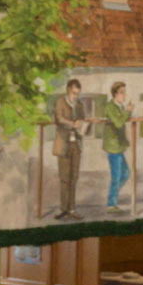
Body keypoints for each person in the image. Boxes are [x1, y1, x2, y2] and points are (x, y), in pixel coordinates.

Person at [53, 78, 90, 219]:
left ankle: (72, 209)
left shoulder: (79, 105)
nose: (76, 96)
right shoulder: (60, 102)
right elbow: (59, 119)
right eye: (74, 93)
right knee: (64, 178)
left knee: (74, 177)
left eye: (78, 94)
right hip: (63, 144)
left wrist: (81, 123)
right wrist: (73, 124)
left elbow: (82, 120)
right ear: (68, 90)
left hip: (76, 144)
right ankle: (64, 209)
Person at [102, 81, 134, 214]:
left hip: (119, 146)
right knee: (116, 177)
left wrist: (125, 139)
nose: (124, 95)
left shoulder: (119, 106)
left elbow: (123, 122)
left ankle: (112, 196)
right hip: (113, 147)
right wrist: (127, 111)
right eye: (121, 92)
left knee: (126, 173)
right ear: (115, 94)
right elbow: (119, 122)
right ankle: (111, 204)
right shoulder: (111, 107)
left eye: (124, 92)